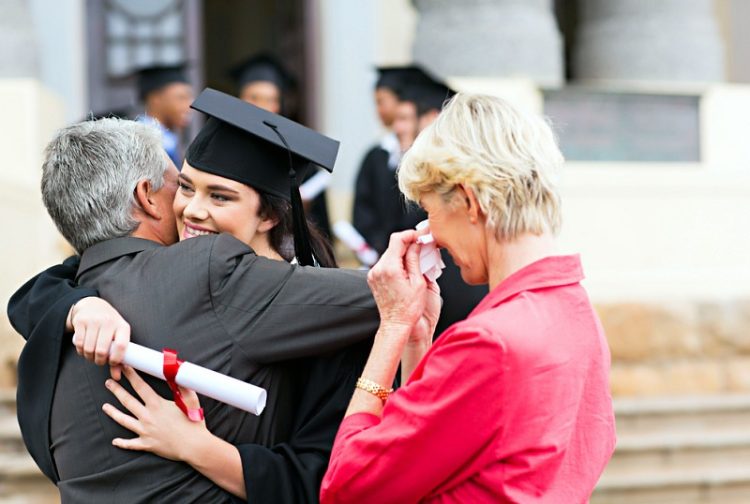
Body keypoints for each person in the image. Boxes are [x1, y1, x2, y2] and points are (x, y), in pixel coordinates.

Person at [8, 89, 380, 502]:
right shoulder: (98, 293)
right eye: (183, 186)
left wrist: (200, 449)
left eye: (219, 195)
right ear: (147, 197)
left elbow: (327, 472)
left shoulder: (66, 309)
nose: (192, 209)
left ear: (271, 213)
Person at [320, 93, 616, 502]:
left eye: (430, 211)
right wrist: (417, 339)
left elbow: (348, 486)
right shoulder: (576, 311)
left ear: (468, 201)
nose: (429, 233)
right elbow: (445, 449)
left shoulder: (489, 343)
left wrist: (391, 326)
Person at [232, 52, 333, 242]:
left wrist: (300, 210)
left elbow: (321, 224)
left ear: (279, 105)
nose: (262, 106)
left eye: (270, 99)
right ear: (240, 99)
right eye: (254, 97)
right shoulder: (225, 147)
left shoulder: (297, 153)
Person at [352, 65, 427, 255]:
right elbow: (362, 209)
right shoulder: (376, 155)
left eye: (381, 101)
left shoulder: (427, 160)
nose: (378, 110)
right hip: (379, 253)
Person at [136, 64, 194, 167]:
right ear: (155, 99)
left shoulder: (169, 141)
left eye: (190, 98)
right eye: (181, 98)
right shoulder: (138, 142)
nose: (190, 105)